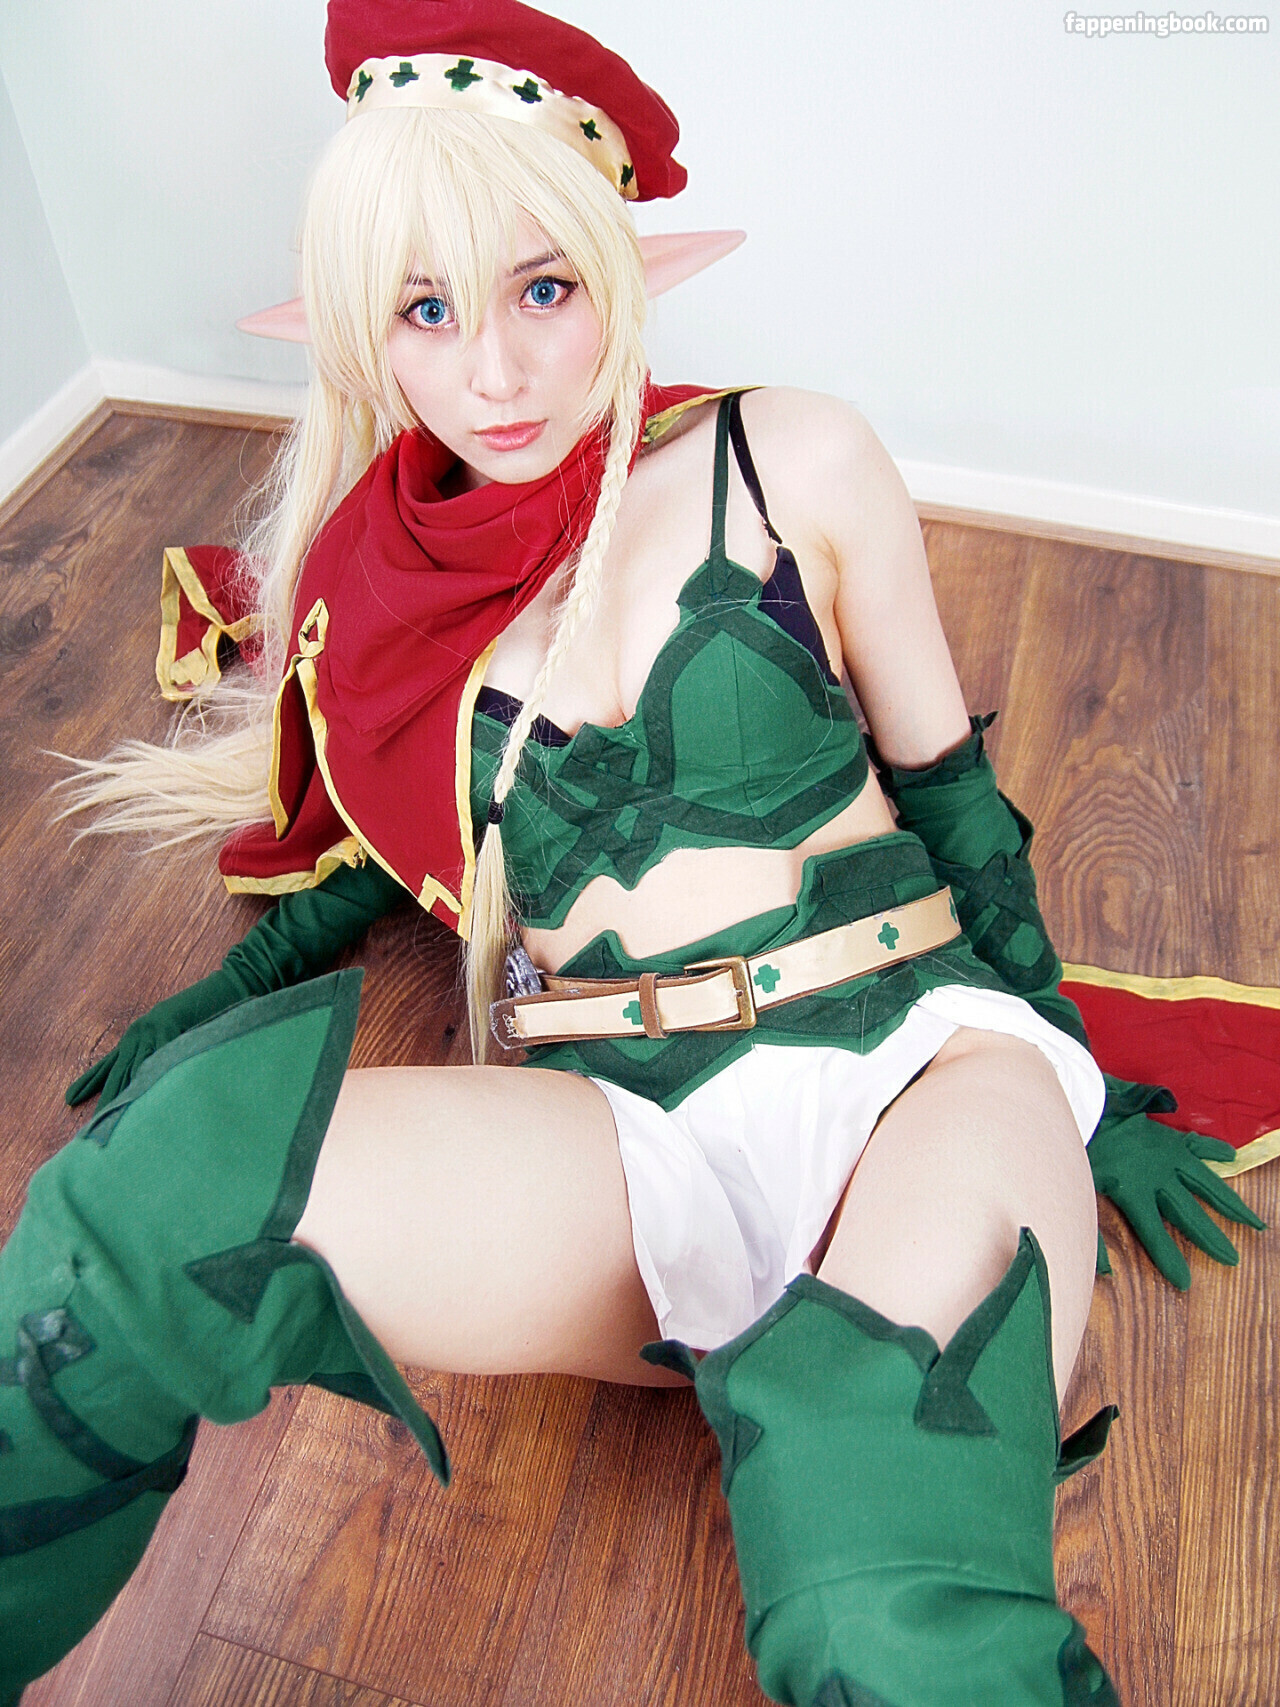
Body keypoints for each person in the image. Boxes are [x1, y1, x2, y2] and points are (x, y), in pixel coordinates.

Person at [0, 3, 1263, 1702]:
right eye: (428, 311)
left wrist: (1079, 1087)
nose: (496, 375)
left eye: (541, 289)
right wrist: (231, 993)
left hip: (913, 1069)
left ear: (615, 265)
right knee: (135, 1213)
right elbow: (405, 849)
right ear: (367, 334)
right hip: (625, 1135)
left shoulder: (790, 453)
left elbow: (952, 790)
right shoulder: (379, 597)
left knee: (875, 1599)